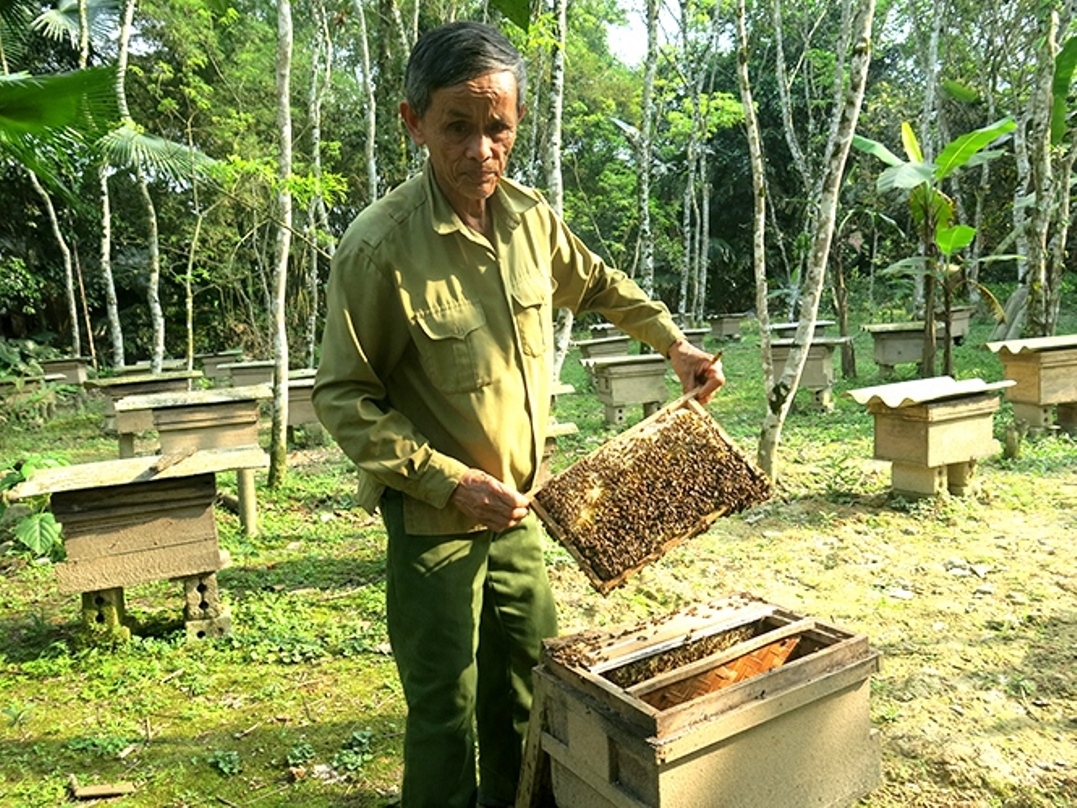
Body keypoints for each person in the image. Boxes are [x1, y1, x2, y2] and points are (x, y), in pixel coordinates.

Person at [312, 20, 724, 808]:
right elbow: (342, 395)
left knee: (533, 683)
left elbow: (598, 282)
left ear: (517, 122)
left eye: (496, 128)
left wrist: (671, 343)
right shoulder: (379, 248)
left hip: (523, 512)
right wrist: (447, 481)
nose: (479, 150)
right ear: (414, 122)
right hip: (435, 522)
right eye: (456, 128)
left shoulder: (529, 220)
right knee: (445, 710)